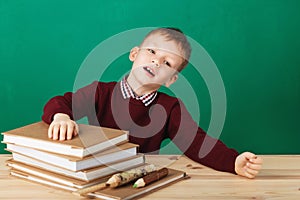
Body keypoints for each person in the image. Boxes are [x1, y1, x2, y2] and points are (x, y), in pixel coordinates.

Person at [42, 27, 262, 178]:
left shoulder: (170, 108)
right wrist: (61, 116)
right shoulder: (101, 91)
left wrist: (233, 162)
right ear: (134, 54)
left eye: (167, 62)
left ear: (171, 79)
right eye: (152, 51)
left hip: (138, 178)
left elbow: (198, 143)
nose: (156, 61)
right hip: (94, 172)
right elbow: (60, 102)